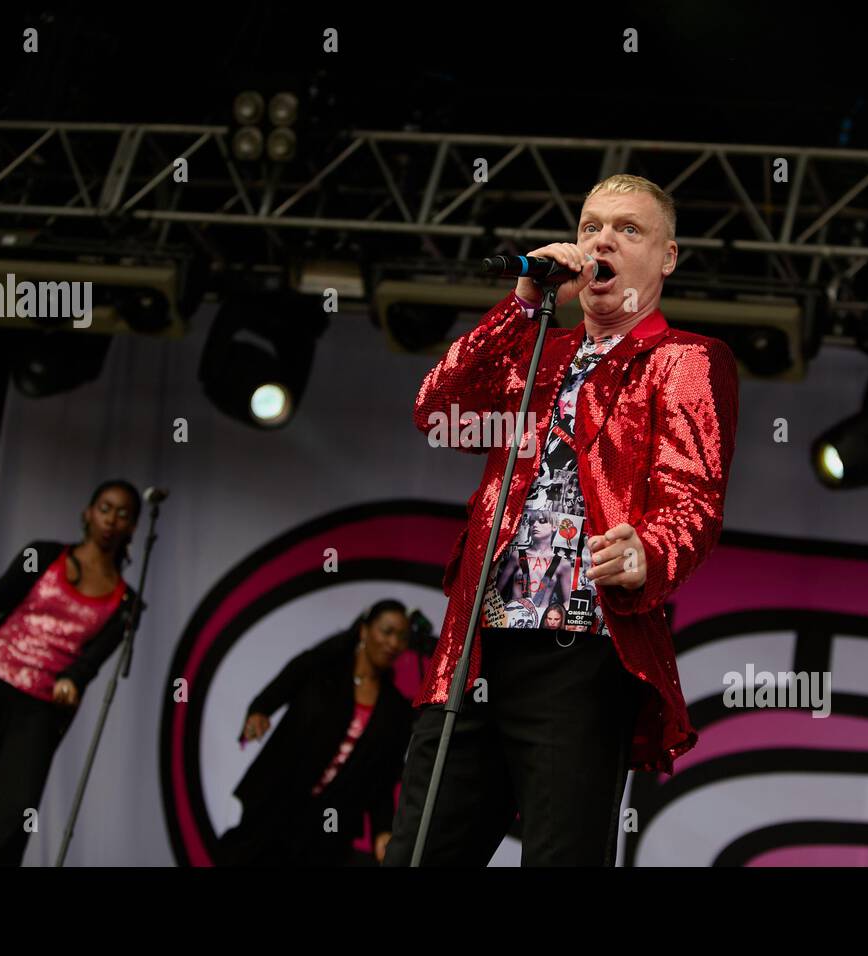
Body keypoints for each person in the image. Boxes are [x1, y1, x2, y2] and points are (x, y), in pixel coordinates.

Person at [386, 174, 740, 866]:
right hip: (476, 650)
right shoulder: (536, 349)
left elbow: (693, 499)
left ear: (668, 258)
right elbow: (436, 408)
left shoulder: (686, 361)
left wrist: (649, 552)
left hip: (580, 653)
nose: (601, 239)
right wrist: (522, 303)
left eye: (628, 230)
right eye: (589, 227)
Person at [0, 480, 145, 866]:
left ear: (133, 527)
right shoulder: (43, 555)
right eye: (105, 508)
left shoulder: (126, 603)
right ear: (88, 513)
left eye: (123, 514)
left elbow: (90, 662)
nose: (111, 520)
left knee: (15, 813)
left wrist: (72, 680)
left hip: (40, 707)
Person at [217, 600, 414, 866]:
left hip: (327, 829)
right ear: (364, 630)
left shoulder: (395, 709)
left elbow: (382, 779)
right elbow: (280, 688)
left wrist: (382, 831)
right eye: (387, 631)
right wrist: (259, 713)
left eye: (402, 638)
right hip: (274, 805)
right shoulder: (324, 668)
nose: (393, 643)